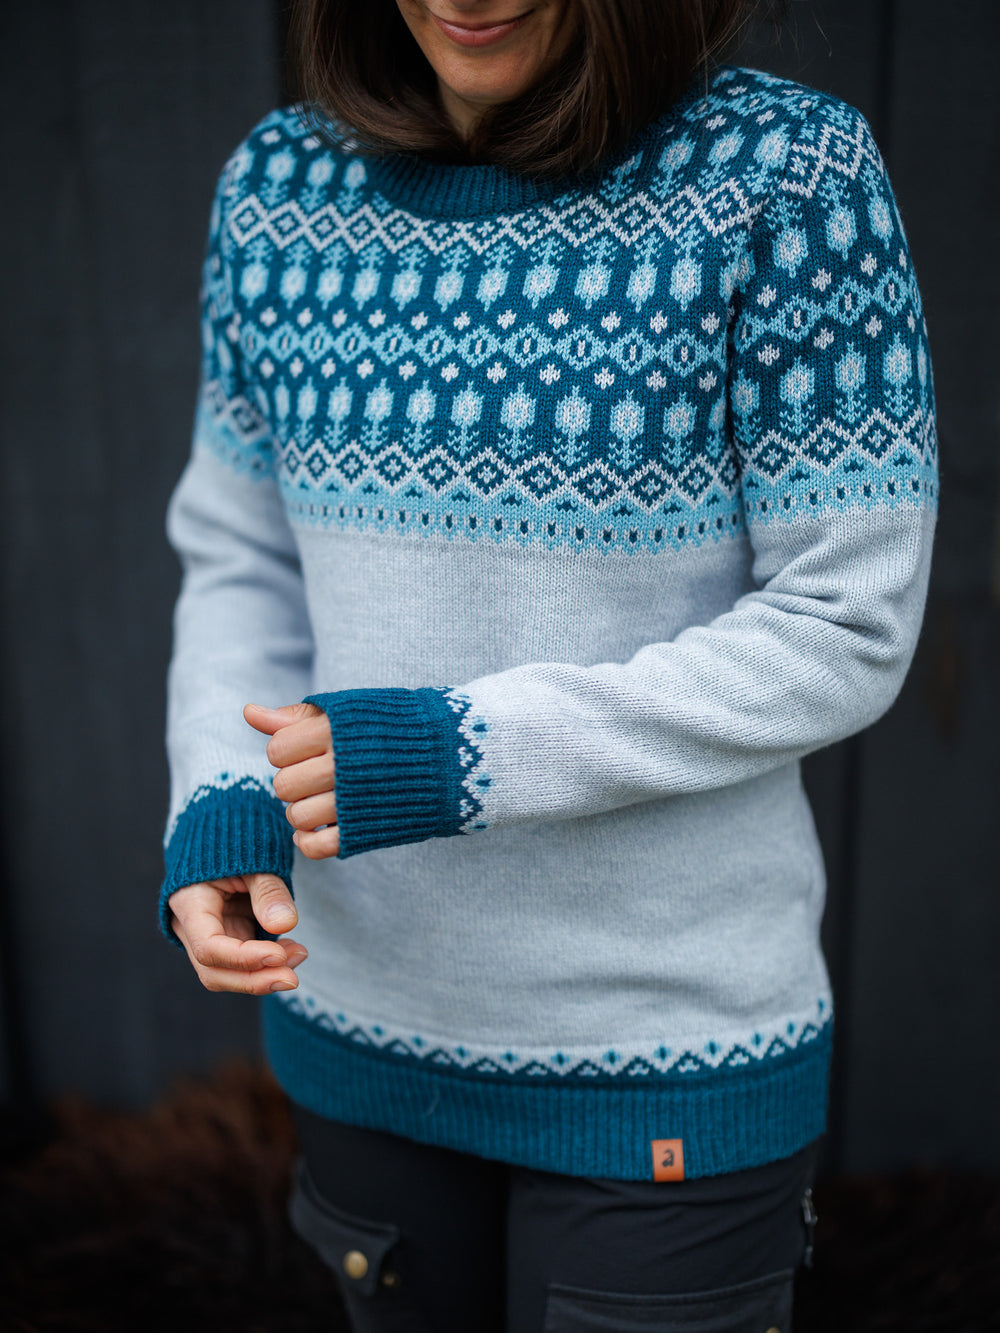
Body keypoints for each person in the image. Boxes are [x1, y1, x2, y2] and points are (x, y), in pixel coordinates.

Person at [161, 1, 937, 1327]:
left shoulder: (784, 178)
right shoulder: (278, 190)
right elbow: (245, 558)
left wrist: (465, 755)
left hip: (666, 1052)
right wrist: (225, 798)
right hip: (362, 1030)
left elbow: (844, 620)